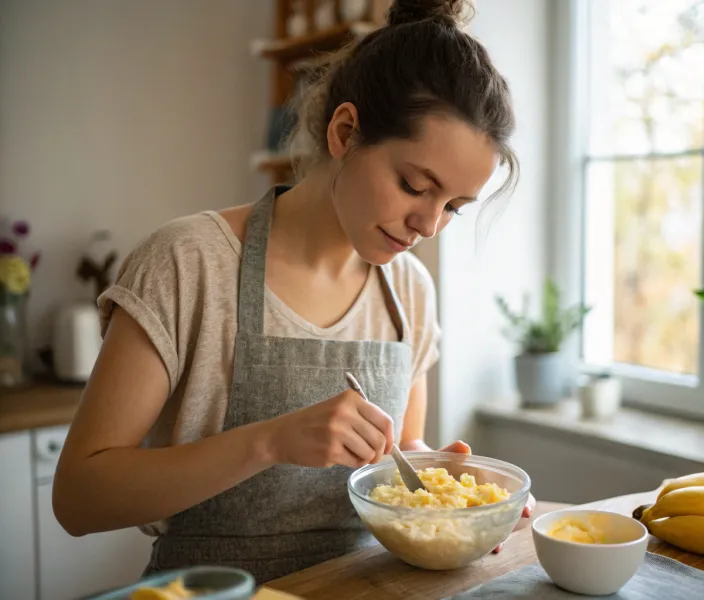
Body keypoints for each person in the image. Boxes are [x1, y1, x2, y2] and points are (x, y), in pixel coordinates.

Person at [52, 0, 531, 584]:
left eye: (453, 206)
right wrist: (270, 440)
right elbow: (78, 499)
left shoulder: (410, 290)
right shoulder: (188, 263)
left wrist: (450, 497)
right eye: (414, 185)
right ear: (345, 131)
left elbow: (397, 453)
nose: (428, 225)